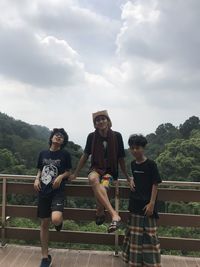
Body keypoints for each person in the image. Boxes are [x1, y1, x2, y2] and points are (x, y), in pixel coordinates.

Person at [70, 110, 133, 233]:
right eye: (97, 120)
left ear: (108, 121)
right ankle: (114, 214)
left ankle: (100, 209)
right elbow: (85, 155)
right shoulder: (92, 137)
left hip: (110, 171)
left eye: (103, 119)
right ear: (95, 124)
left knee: (103, 187)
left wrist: (127, 176)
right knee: (93, 179)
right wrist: (76, 173)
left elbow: (121, 158)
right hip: (95, 168)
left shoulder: (117, 136)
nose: (101, 121)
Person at [34, 128, 72, 267]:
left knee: (55, 219)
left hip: (57, 192)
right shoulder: (43, 153)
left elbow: (69, 172)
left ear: (63, 141)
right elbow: (40, 169)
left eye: (61, 136)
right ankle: (45, 257)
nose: (58, 137)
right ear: (51, 138)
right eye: (56, 135)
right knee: (44, 223)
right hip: (43, 191)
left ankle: (59, 223)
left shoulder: (65, 154)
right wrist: (36, 179)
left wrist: (61, 177)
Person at [122, 134, 162, 267]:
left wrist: (152, 203)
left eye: (137, 148)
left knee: (149, 236)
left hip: (147, 206)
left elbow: (155, 184)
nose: (134, 151)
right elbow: (135, 177)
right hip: (134, 204)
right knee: (134, 236)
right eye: (132, 148)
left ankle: (152, 263)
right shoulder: (133, 164)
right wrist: (131, 179)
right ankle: (135, 262)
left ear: (143, 148)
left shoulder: (151, 164)